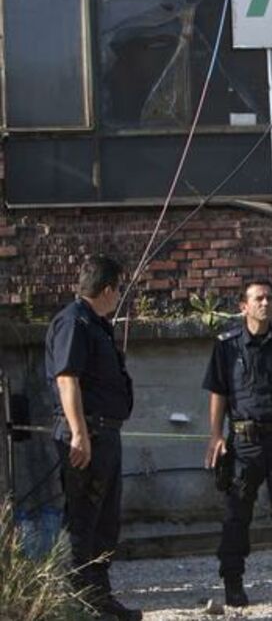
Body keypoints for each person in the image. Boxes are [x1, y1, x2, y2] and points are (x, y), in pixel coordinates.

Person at [202, 279, 272, 607]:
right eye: (258, 299)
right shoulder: (226, 346)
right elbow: (218, 394)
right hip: (244, 442)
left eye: (269, 298)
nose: (265, 304)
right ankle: (233, 583)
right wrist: (215, 436)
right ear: (244, 306)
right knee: (237, 514)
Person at [44, 255, 142, 620]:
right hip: (88, 435)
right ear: (106, 289)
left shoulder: (95, 324)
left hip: (104, 434)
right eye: (118, 289)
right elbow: (67, 379)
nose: (119, 297)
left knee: (104, 521)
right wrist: (79, 434)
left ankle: (100, 599)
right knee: (84, 520)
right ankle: (81, 604)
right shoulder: (74, 323)